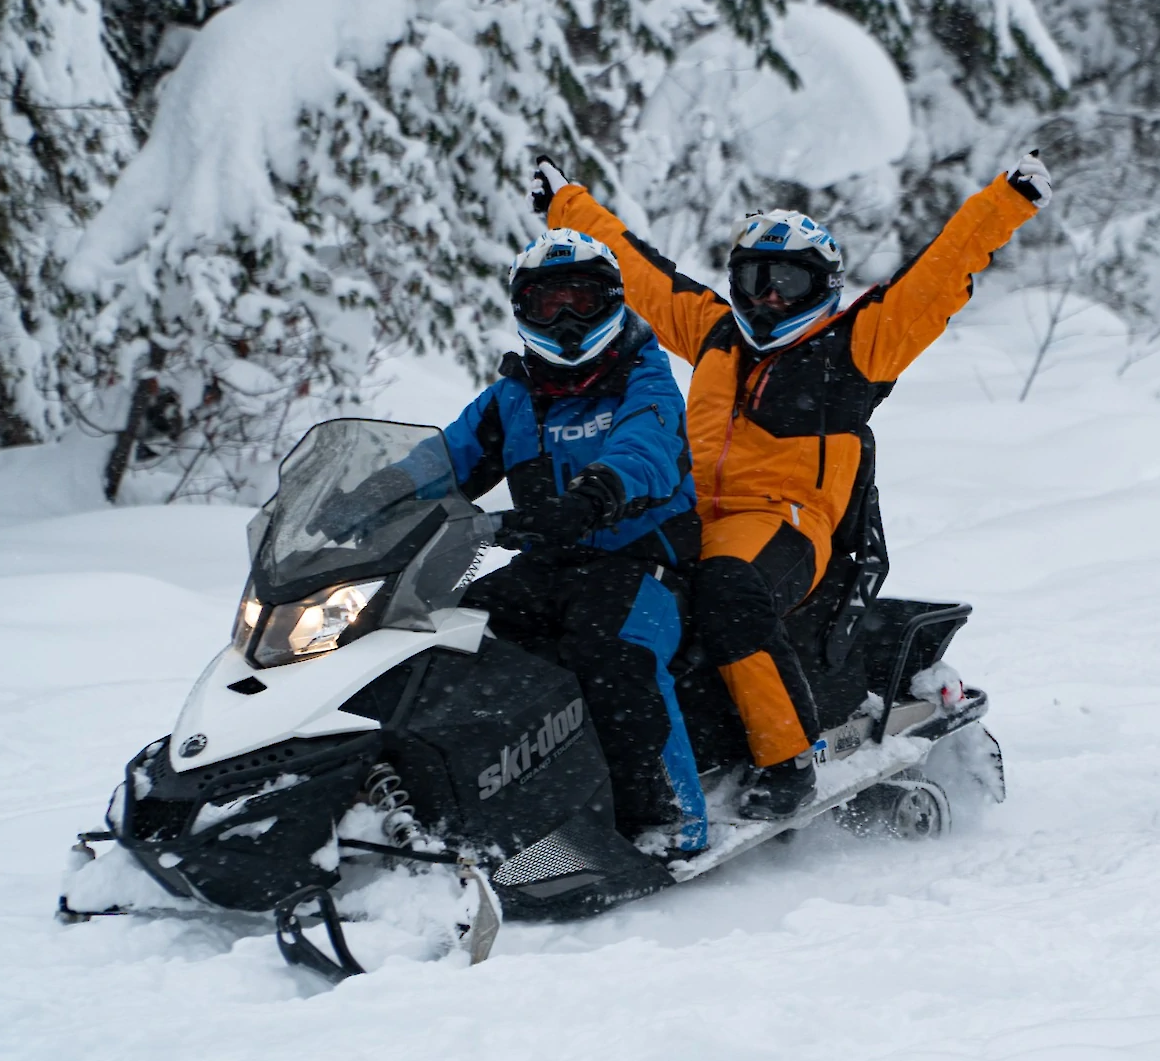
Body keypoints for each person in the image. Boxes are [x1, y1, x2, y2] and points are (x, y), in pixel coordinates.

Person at [525, 152, 1053, 820]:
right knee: (589, 581)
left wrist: (1005, 202)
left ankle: (788, 756)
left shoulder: (854, 348)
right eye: (754, 279)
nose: (768, 298)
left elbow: (939, 274)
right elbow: (639, 272)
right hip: (696, 514)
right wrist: (565, 205)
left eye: (788, 282)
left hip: (791, 527)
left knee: (726, 589)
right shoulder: (715, 331)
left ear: (821, 287)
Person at [440, 228, 709, 854]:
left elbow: (646, 447)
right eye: (547, 303)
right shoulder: (513, 395)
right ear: (522, 311)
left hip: (648, 562)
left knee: (614, 651)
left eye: (580, 301)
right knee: (453, 634)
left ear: (612, 300)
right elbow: (445, 460)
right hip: (553, 564)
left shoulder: (644, 373)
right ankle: (481, 791)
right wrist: (371, 497)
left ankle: (669, 815)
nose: (564, 318)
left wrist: (595, 494)